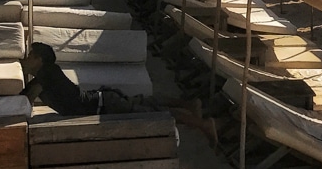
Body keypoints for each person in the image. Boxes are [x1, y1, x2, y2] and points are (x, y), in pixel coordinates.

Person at [21, 43, 218, 139]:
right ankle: (189, 105)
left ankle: (203, 124)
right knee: (148, 103)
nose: (26, 59)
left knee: (154, 115)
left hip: (104, 106)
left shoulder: (45, 74)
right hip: (104, 101)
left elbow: (23, 102)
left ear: (40, 60)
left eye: (30, 56)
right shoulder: (47, 74)